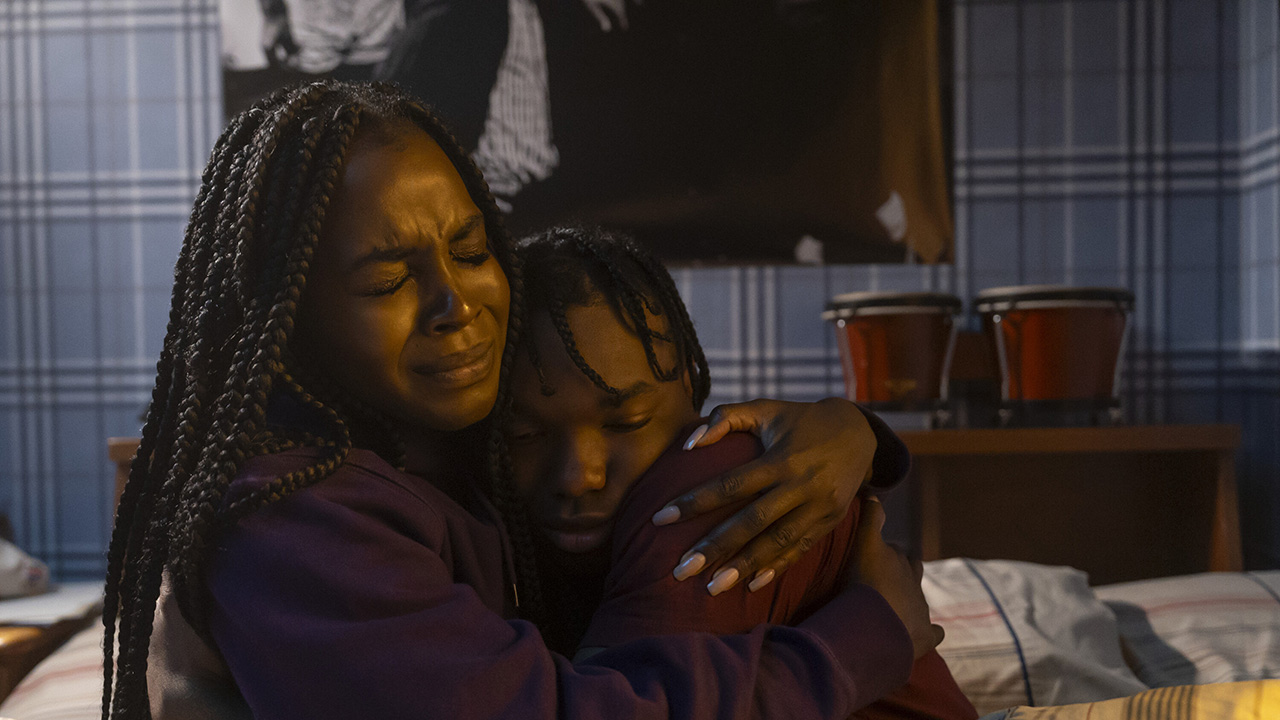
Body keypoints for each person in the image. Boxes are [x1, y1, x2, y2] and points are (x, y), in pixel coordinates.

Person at [106, 80, 930, 720]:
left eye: (470, 250)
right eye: (389, 278)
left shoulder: (446, 455)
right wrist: (859, 643)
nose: (456, 305)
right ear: (285, 315)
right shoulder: (291, 518)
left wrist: (849, 427)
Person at [507, 226, 976, 719]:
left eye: (626, 422)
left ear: (692, 387)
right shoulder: (493, 529)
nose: (579, 476)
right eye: (524, 435)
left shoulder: (706, 493)